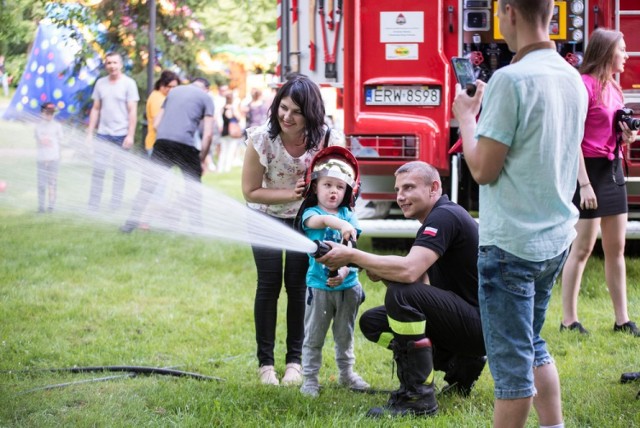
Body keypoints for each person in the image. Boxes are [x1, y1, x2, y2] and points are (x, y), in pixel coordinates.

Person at [452, 1, 588, 427]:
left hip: (511, 245)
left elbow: (482, 168)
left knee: (511, 373)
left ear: (508, 11)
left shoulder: (511, 80)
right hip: (553, 239)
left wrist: (466, 118)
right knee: (532, 343)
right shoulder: (571, 76)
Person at [317, 161, 486, 417]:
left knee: (401, 295)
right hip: (468, 323)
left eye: (408, 188)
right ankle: (459, 363)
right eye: (398, 190)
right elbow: (421, 286)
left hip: (483, 328)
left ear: (434, 188)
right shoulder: (436, 218)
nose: (400, 197)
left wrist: (353, 256)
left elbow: (409, 272)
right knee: (373, 322)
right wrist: (379, 270)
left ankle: (418, 397)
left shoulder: (444, 216)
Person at [241, 74, 345, 386]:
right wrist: (291, 194)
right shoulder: (261, 139)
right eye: (283, 108)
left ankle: (294, 363)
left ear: (310, 114)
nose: (287, 116)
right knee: (269, 285)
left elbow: (340, 182)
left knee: (298, 287)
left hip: (306, 221)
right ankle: (266, 365)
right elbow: (250, 191)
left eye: (296, 112)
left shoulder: (327, 139)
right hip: (265, 217)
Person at [560, 29, 639, 337]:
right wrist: (584, 184)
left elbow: (614, 132)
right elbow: (573, 138)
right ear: (607, 53)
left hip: (612, 169)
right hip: (588, 172)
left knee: (616, 247)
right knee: (582, 248)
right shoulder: (585, 86)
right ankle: (568, 320)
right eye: (622, 50)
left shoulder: (615, 89)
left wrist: (626, 136)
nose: (627, 56)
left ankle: (622, 320)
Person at [297, 146, 369, 398]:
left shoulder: (350, 215)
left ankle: (347, 374)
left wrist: (345, 269)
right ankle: (309, 380)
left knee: (345, 335)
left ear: (348, 191)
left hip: (348, 287)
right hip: (319, 288)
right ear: (315, 187)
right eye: (327, 185)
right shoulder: (311, 214)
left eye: (340, 187)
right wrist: (339, 223)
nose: (333, 191)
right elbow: (320, 222)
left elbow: (352, 247)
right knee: (314, 336)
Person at [120, 77, 214, 233]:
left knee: (148, 185)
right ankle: (196, 227)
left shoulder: (174, 92)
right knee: (193, 187)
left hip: (162, 143)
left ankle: (129, 224)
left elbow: (156, 123)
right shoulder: (206, 97)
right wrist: (202, 158)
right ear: (206, 89)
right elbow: (208, 134)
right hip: (185, 145)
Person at [86, 51, 139, 211]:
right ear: (105, 65)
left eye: (115, 63)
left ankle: (114, 205)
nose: (112, 66)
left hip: (121, 134)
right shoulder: (101, 83)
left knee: (119, 172)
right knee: (98, 170)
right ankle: (93, 205)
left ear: (121, 65)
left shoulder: (129, 84)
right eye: (109, 63)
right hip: (103, 133)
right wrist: (89, 133)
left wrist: (130, 135)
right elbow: (95, 109)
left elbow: (132, 111)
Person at [34, 102, 63, 213]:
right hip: (41, 159)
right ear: (42, 113)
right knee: (41, 184)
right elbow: (38, 141)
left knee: (52, 183)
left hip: (54, 159)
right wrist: (42, 141)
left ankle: (51, 206)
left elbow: (60, 142)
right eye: (47, 113)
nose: (50, 115)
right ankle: (41, 207)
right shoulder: (38, 127)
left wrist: (58, 157)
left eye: (52, 113)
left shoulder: (57, 126)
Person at [145, 70, 180, 156]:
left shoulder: (164, 97)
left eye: (175, 87)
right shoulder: (158, 98)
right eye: (169, 86)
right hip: (155, 145)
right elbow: (157, 125)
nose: (172, 90)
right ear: (162, 85)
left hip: (159, 144)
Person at [218, 92, 243, 173]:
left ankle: (220, 168)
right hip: (232, 132)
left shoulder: (222, 108)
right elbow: (238, 118)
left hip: (224, 132)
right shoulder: (232, 108)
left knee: (223, 151)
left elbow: (220, 120)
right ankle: (226, 168)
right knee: (230, 151)